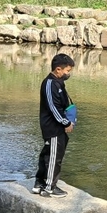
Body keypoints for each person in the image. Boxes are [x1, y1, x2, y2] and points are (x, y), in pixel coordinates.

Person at [32, 54, 76, 198]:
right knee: (54, 156)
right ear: (58, 69)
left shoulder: (58, 83)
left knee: (47, 153)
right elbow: (53, 107)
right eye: (67, 71)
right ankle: (50, 187)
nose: (68, 74)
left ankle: (40, 183)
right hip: (53, 127)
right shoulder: (50, 83)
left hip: (55, 125)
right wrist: (66, 123)